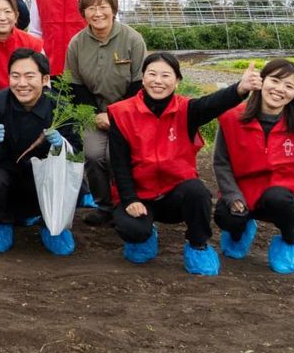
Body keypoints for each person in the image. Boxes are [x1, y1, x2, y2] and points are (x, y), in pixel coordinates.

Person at [107, 53, 261, 276]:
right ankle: (146, 233)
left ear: (177, 80)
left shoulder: (187, 110)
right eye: (152, 74)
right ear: (142, 78)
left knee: (198, 192)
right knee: (133, 229)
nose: (158, 81)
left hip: (174, 195)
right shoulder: (122, 113)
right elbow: (119, 163)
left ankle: (198, 244)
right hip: (140, 196)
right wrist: (130, 199)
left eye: (165, 75)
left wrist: (241, 88)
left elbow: (214, 103)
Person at [0, 49, 82, 256]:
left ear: (45, 79)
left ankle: (52, 224)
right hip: (8, 177)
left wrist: (61, 145)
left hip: (44, 181)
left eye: (29, 76)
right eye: (15, 76)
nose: (21, 83)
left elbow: (76, 152)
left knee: (61, 175)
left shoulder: (61, 107)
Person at [213, 59, 294, 274]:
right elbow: (221, 162)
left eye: (289, 86)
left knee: (278, 199)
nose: (279, 90)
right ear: (262, 81)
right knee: (224, 215)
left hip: (279, 196)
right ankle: (239, 231)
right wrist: (232, 196)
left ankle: (289, 239)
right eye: (275, 80)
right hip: (243, 195)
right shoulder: (232, 119)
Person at [64, 0, 146, 227]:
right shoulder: (77, 44)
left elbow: (139, 83)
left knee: (115, 155)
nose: (97, 13)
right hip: (93, 112)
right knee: (93, 154)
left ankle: (125, 202)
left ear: (113, 10)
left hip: (129, 112)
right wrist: (97, 115)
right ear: (84, 13)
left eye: (103, 7)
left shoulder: (132, 39)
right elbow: (75, 86)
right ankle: (104, 205)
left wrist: (117, 115)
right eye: (91, 8)